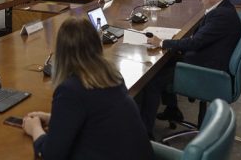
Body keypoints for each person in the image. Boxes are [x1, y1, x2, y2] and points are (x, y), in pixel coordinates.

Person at [22, 17, 154, 160]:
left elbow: (51, 154)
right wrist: (55, 119)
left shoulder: (70, 90)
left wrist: (34, 128)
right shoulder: (112, 76)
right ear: (97, 45)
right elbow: (97, 119)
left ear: (61, 53)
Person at [137, 0, 241, 137]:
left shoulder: (221, 16)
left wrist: (162, 42)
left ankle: (145, 135)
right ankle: (172, 110)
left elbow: (195, 43)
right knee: (167, 61)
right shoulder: (223, 8)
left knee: (151, 79)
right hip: (211, 57)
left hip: (210, 71)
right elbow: (199, 39)